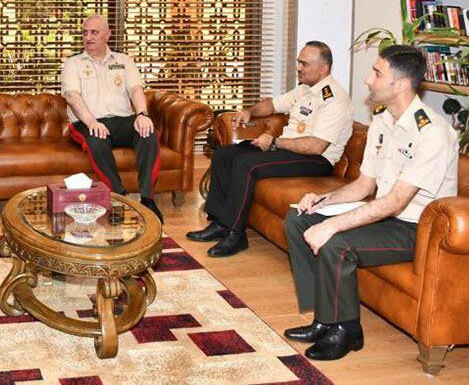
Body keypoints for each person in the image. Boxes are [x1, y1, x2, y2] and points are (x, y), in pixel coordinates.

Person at [283, 45, 458, 361]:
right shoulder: (382, 121)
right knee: (299, 218)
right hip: (389, 216)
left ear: (400, 84)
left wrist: (333, 225)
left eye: (377, 73)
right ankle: (323, 319)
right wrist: (322, 201)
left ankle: (346, 331)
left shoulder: (433, 133)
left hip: (417, 228)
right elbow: (365, 185)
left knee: (337, 244)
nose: (367, 79)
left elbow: (396, 202)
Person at [187, 41, 353, 257]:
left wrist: (274, 143)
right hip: (290, 150)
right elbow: (273, 104)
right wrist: (250, 112)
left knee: (246, 164)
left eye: (304, 64)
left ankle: (236, 235)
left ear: (323, 68)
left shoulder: (334, 99)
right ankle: (220, 223)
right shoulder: (305, 89)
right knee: (224, 154)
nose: (299, 68)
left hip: (316, 160)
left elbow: (317, 146)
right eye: (299, 62)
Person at [61, 14, 164, 223]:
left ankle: (147, 199)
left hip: (121, 119)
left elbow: (135, 89)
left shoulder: (124, 61)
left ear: (108, 35)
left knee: (148, 133)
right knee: (96, 140)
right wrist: (92, 122)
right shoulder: (73, 63)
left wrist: (142, 114)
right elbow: (72, 96)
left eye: (94, 32)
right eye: (85, 32)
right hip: (86, 121)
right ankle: (118, 198)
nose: (88, 37)